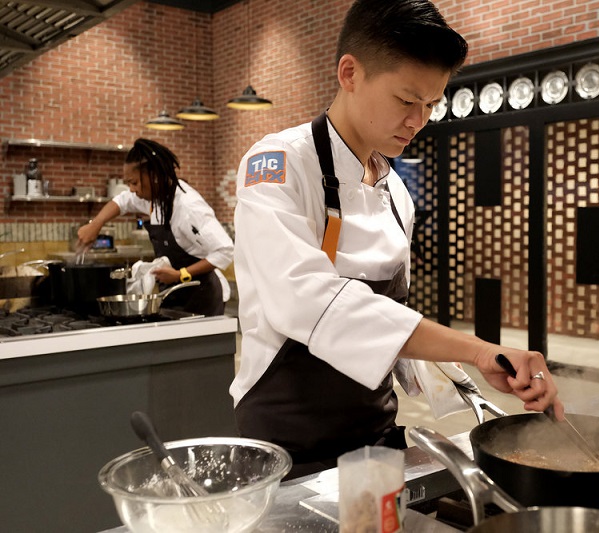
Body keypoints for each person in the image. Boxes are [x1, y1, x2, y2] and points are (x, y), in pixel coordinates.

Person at [232, 0, 564, 479]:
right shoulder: (280, 163)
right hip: (286, 440)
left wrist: (474, 377)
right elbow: (305, 300)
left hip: (376, 429)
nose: (419, 120)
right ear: (350, 73)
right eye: (406, 101)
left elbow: (389, 325)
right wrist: (474, 346)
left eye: (431, 104)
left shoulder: (395, 194)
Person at [76, 138, 234, 317]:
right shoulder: (154, 198)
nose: (132, 190)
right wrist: (96, 224)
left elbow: (225, 250)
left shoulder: (188, 207)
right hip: (174, 295)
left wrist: (180, 274)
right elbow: (123, 201)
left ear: (155, 176)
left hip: (202, 299)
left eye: (134, 183)